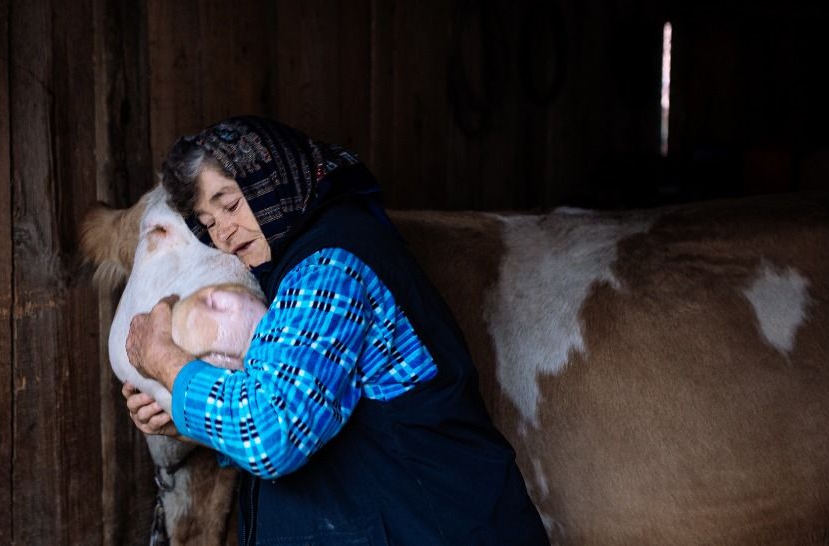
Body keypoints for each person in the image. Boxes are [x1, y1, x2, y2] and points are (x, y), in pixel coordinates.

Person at [124, 116, 549, 545]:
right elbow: (316, 422)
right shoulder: (303, 265)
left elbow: (273, 435)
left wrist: (165, 361)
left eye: (230, 205)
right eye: (208, 221)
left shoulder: (328, 269)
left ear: (273, 180)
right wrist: (185, 420)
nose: (224, 231)